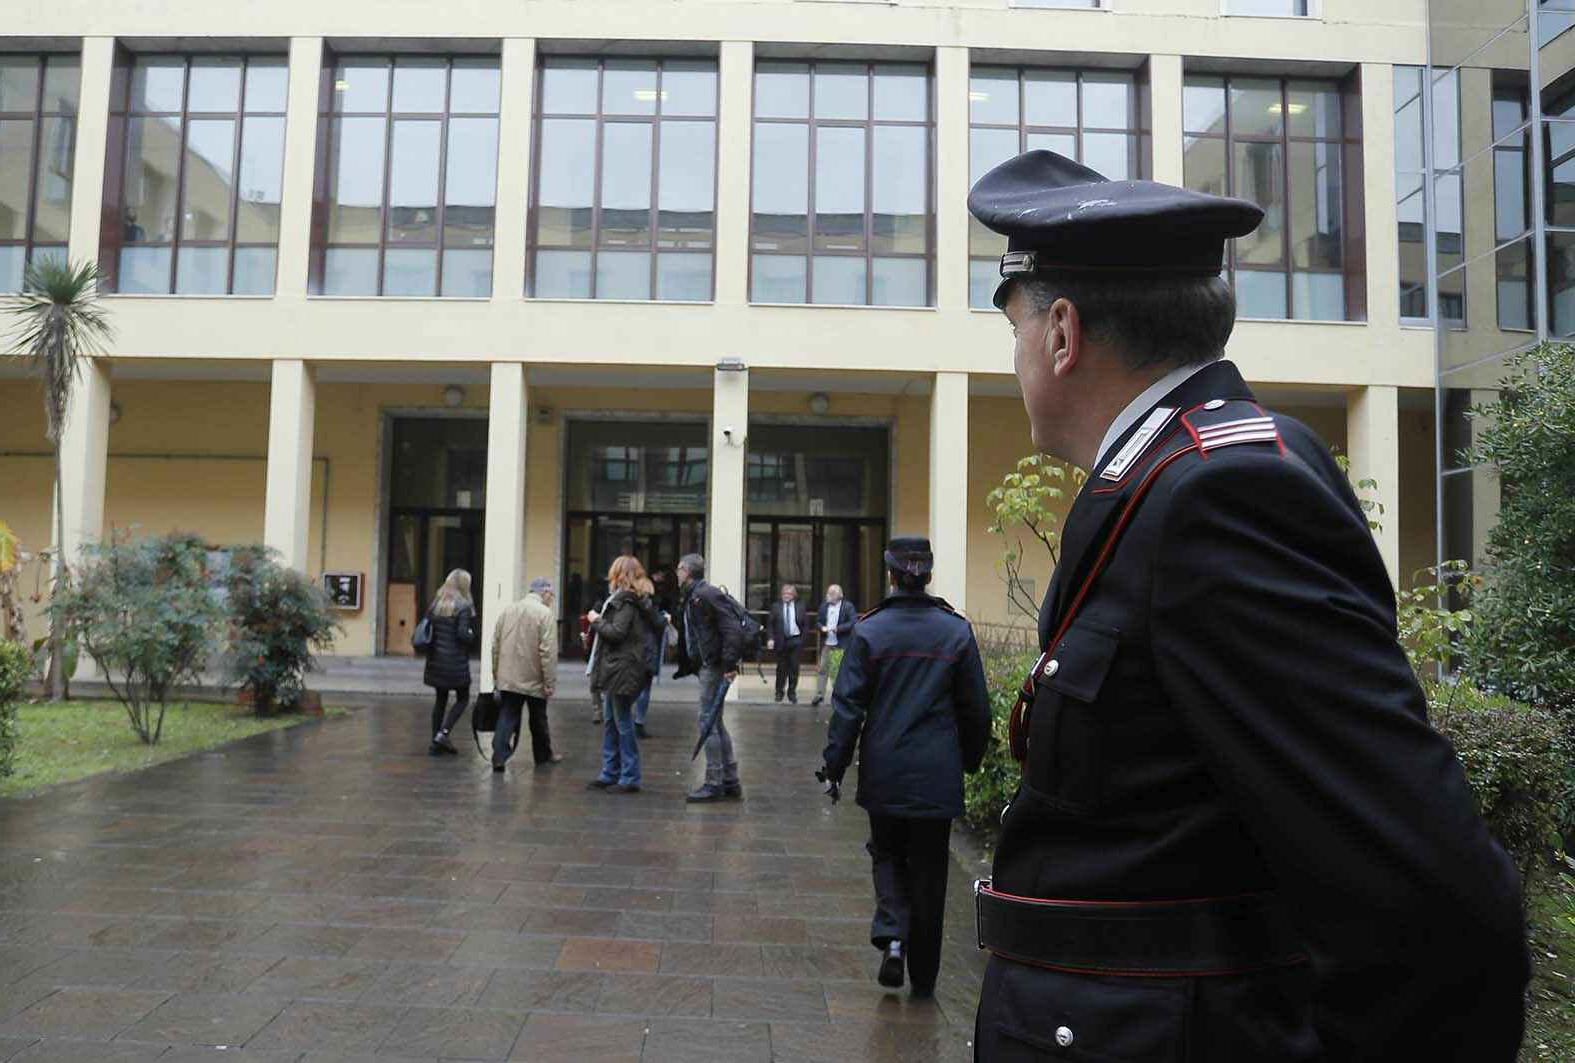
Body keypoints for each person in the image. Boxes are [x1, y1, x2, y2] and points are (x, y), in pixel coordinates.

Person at [966, 149, 1529, 1061]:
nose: (1018, 358)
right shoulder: (1176, 474)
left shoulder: (1215, 495)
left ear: (1061, 333)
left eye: (1015, 329)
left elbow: (1429, 896)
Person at [820, 537, 990, 1000]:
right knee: (932, 871)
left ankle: (893, 936)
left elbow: (848, 707)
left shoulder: (870, 631)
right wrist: (969, 760)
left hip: (886, 769)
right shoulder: (955, 632)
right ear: (927, 576)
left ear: (891, 574)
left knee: (887, 853)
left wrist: (835, 765)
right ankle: (925, 977)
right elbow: (976, 710)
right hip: (937, 772)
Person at [586, 556, 663, 794]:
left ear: (618, 575)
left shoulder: (626, 602)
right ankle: (610, 772)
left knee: (622, 722)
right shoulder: (632, 600)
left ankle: (629, 776)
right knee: (612, 721)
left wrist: (596, 621)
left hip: (622, 668)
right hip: (620, 667)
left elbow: (617, 632)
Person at [674, 553, 742, 802]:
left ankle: (714, 782)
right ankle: (730, 780)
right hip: (709, 665)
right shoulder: (694, 595)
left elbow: (732, 628)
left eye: (679, 569)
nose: (676, 573)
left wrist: (729, 663)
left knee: (708, 721)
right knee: (715, 721)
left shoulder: (705, 594)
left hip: (713, 666)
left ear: (687, 571)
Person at [490, 576, 563, 773]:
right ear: (545, 592)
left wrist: (496, 674)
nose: (551, 599)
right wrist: (549, 681)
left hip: (508, 676)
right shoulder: (545, 614)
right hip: (534, 676)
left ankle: (499, 756)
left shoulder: (508, 610)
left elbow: (495, 644)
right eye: (551, 595)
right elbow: (547, 652)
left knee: (507, 715)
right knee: (538, 717)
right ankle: (543, 756)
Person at [424, 569, 477, 755]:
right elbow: (463, 635)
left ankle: (435, 742)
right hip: (456, 663)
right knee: (463, 699)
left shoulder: (436, 604)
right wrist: (471, 634)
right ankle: (444, 733)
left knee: (440, 700)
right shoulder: (463, 606)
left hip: (436, 661)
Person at [811, 584, 856, 707]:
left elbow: (853, 622)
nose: (828, 596)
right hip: (827, 643)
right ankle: (819, 694)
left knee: (837, 671)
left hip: (840, 643)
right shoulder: (824, 606)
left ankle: (838, 696)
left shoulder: (847, 606)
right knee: (822, 669)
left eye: (831, 593)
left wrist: (839, 629)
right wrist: (822, 628)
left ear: (839, 595)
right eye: (828, 593)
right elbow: (818, 622)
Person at [767, 583, 807, 704]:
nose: (786, 596)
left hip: (795, 640)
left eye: (789, 594)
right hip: (781, 640)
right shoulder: (776, 607)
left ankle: (792, 693)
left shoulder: (800, 606)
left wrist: (802, 640)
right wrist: (770, 639)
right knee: (781, 669)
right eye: (784, 593)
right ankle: (779, 692)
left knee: (794, 668)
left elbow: (805, 625)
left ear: (794, 595)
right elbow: (770, 624)